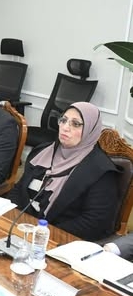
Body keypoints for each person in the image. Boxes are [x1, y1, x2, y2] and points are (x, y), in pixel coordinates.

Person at [9, 102, 119, 241]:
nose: (65, 127)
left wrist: (44, 233)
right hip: (22, 229)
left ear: (90, 130)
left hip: (59, 240)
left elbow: (94, 222)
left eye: (76, 124)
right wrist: (14, 220)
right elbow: (18, 189)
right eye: (63, 120)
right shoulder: (42, 152)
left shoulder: (101, 171)